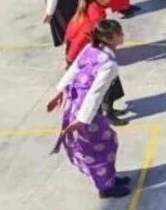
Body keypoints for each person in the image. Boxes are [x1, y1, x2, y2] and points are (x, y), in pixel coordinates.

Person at [47, 19, 131, 198]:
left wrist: (60, 91)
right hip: (86, 110)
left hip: (76, 104)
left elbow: (73, 69)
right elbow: (95, 93)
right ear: (108, 38)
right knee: (102, 146)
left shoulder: (90, 48)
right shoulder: (109, 64)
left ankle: (108, 178)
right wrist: (82, 120)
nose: (122, 35)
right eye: (118, 33)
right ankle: (105, 187)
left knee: (103, 143)